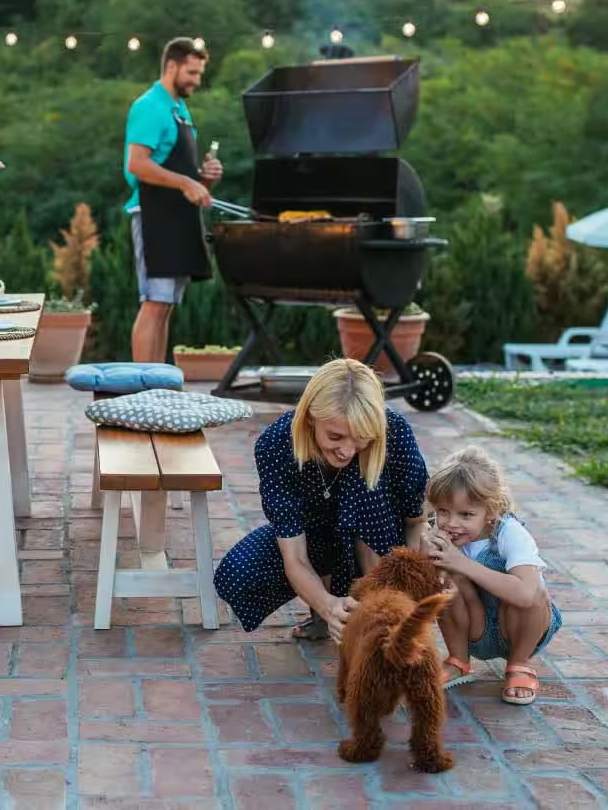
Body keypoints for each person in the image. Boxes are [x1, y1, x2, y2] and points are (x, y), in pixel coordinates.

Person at [214, 358, 430, 644]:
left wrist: (405, 586)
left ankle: (380, 612)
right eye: (335, 436)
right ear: (310, 417)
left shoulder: (394, 431)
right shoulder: (276, 445)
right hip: (318, 538)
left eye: (361, 438)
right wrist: (328, 606)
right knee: (238, 574)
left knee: (366, 487)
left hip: (381, 540)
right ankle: (328, 611)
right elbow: (295, 555)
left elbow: (416, 521)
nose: (347, 451)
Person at [425, 446, 562, 705]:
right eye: (443, 511)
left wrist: (462, 563)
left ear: (491, 511)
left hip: (520, 629)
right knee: (443, 584)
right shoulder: (440, 534)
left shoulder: (510, 533)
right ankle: (458, 660)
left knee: (534, 593)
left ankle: (519, 665)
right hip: (475, 628)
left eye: (466, 514)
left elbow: (524, 595)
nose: (451, 523)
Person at [124, 36, 223, 364]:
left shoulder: (179, 109)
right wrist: (185, 181)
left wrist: (204, 178)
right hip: (153, 216)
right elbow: (137, 164)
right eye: (192, 73)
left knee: (165, 307)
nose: (197, 80)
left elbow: (179, 172)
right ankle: (141, 392)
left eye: (199, 74)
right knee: (153, 303)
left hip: (178, 216)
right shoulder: (149, 106)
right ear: (172, 66)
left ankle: (158, 385)